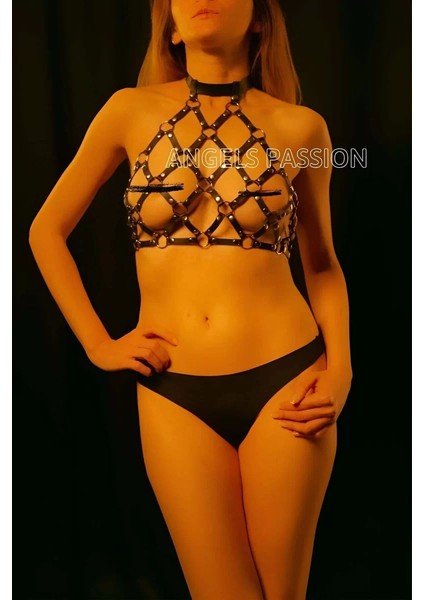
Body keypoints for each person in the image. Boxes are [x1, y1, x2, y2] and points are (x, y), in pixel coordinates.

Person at [29, 0, 353, 598]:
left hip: (287, 378)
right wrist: (98, 343)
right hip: (174, 389)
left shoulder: (302, 131)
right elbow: (45, 230)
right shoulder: (127, 112)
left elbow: (322, 264)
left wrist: (342, 370)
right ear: (171, 26)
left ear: (260, 18)